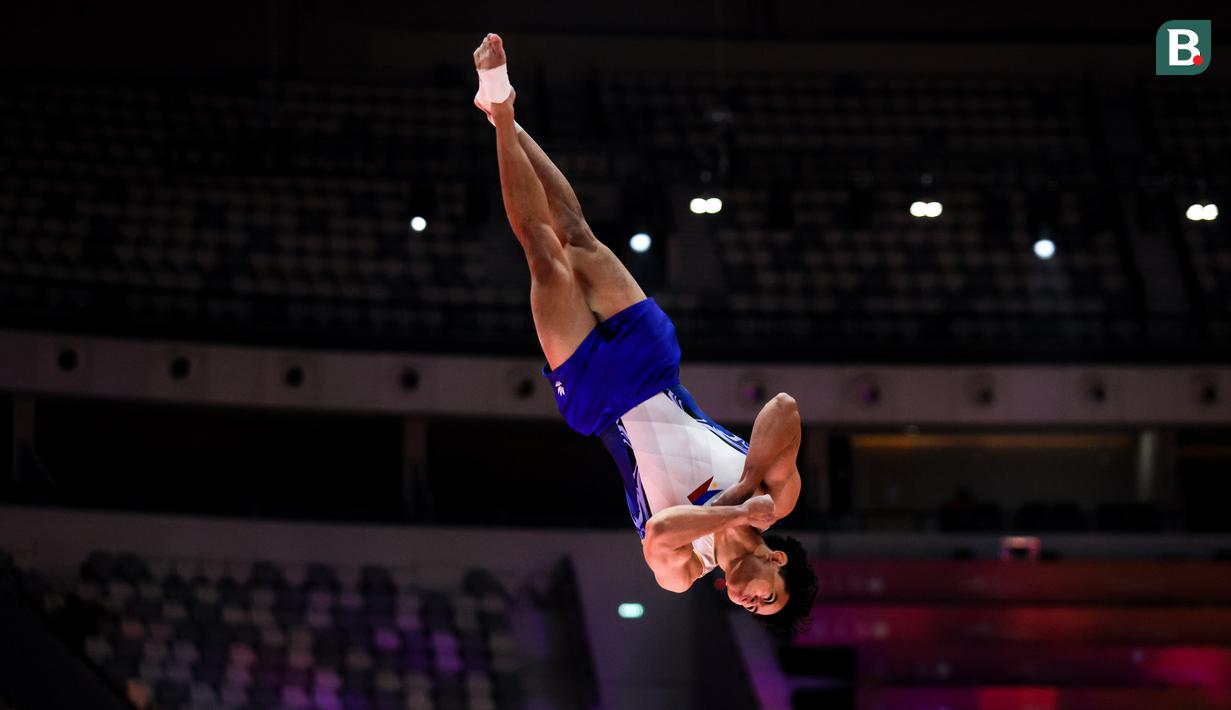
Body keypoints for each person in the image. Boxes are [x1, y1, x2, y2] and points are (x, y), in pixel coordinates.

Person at [472, 33, 817, 634]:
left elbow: (660, 531)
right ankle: (501, 107)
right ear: (778, 560)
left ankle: (499, 109)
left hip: (597, 403)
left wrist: (738, 503)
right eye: (767, 598)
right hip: (655, 367)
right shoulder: (778, 499)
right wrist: (757, 485)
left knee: (545, 257)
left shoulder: (683, 572)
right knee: (577, 234)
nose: (749, 602)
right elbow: (783, 409)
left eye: (755, 610)